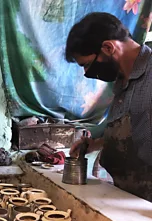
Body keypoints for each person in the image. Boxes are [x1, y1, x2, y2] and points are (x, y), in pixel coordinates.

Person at [65, 12, 152, 202]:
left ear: (108, 47)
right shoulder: (122, 81)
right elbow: (135, 129)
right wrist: (95, 144)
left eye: (87, 65)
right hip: (125, 194)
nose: (87, 73)